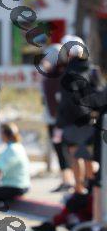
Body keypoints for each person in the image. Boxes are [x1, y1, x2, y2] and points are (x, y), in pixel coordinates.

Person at [55, 35, 101, 195]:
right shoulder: (93, 70)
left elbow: (68, 101)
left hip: (74, 121)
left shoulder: (68, 73)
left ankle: (80, 189)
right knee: (90, 156)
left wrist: (60, 123)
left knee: (76, 156)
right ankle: (93, 190)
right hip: (92, 120)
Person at [39, 43, 74, 192]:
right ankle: (69, 180)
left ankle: (68, 181)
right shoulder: (62, 73)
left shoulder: (54, 75)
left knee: (61, 150)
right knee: (64, 150)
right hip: (61, 120)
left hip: (56, 121)